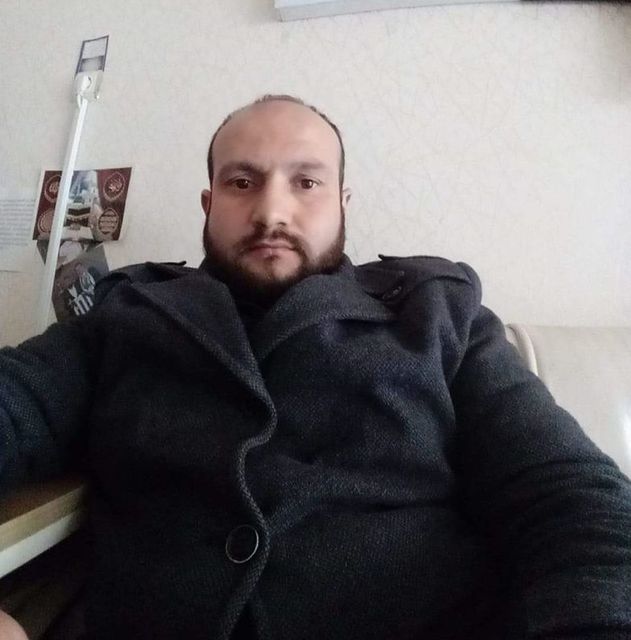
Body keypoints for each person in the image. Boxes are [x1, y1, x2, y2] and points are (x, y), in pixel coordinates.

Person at [1, 94, 630, 640]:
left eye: (306, 183)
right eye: (242, 182)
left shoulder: (439, 314)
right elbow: (15, 402)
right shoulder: (129, 311)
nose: (272, 212)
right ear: (208, 202)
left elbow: (568, 496)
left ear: (343, 202)